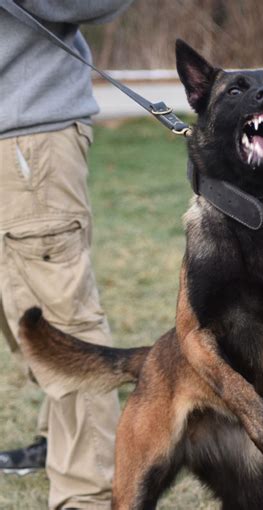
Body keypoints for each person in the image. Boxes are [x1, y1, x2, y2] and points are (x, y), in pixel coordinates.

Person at [0, 1, 133, 509]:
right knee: (18, 314)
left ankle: (89, 494)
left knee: (60, 326)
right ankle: (60, 442)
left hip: (25, 134)